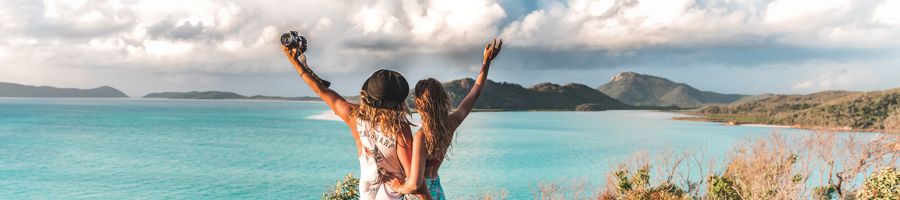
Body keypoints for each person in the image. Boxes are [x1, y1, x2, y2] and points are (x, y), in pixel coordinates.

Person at [281, 44, 417, 200]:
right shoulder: (399, 128)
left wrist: (294, 60)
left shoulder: (355, 117)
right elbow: (412, 179)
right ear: (398, 102)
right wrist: (400, 186)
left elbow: (321, 90)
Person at [389, 38, 502, 199]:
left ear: (419, 105)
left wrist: (399, 187)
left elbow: (415, 184)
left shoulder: (421, 137)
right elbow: (474, 94)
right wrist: (486, 62)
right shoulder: (450, 124)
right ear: (443, 99)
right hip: (436, 187)